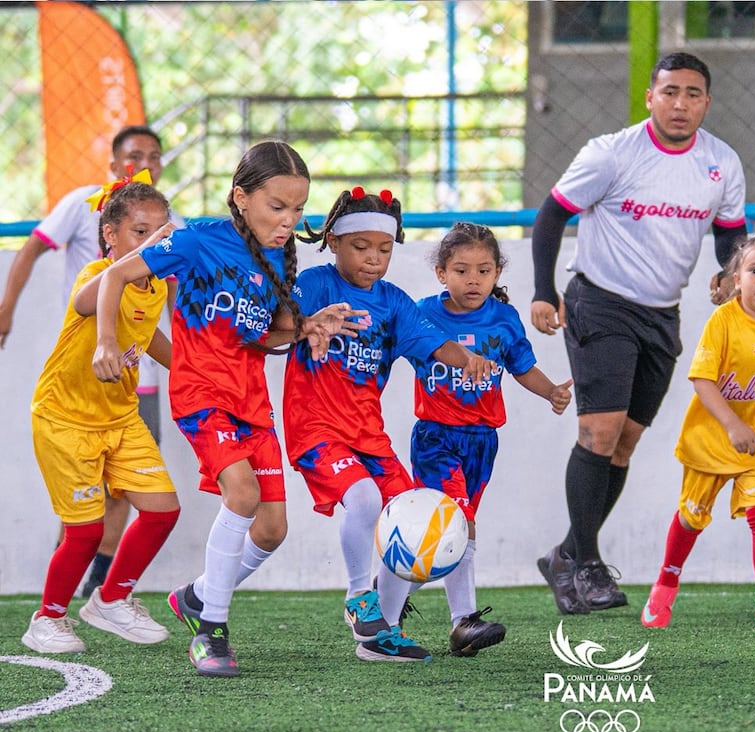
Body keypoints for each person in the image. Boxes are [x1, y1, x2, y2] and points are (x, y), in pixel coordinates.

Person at [91, 141, 363, 677]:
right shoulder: (196, 242)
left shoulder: (278, 256)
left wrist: (307, 326)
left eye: (298, 210)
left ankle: (194, 597)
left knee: (272, 530)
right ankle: (211, 632)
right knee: (242, 494)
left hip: (251, 402)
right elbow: (115, 277)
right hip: (201, 396)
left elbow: (265, 336)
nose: (289, 221)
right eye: (277, 207)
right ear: (241, 198)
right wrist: (105, 340)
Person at [529, 51, 748, 614]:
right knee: (598, 435)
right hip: (599, 302)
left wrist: (728, 270)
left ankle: (566, 557)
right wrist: (542, 289)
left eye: (692, 94)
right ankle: (588, 566)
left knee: (624, 444)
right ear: (650, 96)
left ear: (707, 102)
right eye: (670, 91)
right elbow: (552, 215)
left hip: (661, 314)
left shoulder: (721, 163)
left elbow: (730, 235)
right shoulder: (611, 153)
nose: (680, 104)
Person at [284, 190, 495, 664]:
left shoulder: (394, 302)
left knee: (412, 520)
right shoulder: (315, 283)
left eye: (384, 249)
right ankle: (361, 598)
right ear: (334, 242)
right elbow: (279, 321)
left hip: (368, 435)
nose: (374, 259)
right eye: (362, 247)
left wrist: (469, 359)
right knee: (363, 498)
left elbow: (433, 343)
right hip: (315, 427)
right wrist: (308, 323)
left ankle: (381, 637)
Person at [1, 124, 183, 599]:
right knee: (83, 516)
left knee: (135, 496)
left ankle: (102, 590)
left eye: (153, 154)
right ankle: (59, 592)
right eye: (133, 154)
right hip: (77, 390)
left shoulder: (161, 252)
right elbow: (96, 285)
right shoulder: (89, 220)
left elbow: (157, 327)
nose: (144, 161)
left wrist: (205, 366)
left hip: (127, 393)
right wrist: (9, 310)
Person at [407, 222, 573, 651]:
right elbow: (393, 349)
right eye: (461, 270)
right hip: (436, 437)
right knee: (457, 522)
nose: (473, 279)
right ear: (442, 273)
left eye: (483, 270)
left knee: (451, 531)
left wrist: (551, 390)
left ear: (497, 272)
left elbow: (521, 367)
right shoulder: (423, 313)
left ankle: (383, 598)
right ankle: (464, 621)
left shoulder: (503, 319)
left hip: (482, 441)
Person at [641, 234, 755, 630]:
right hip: (711, 437)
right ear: (737, 278)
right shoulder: (722, 321)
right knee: (691, 517)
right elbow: (702, 379)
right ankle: (666, 583)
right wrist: (732, 424)